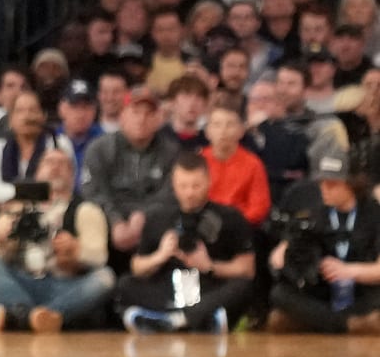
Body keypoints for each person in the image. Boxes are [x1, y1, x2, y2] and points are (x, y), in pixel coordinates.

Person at [0, 147, 115, 331]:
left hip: (65, 285)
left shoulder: (86, 210)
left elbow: (100, 257)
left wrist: (76, 250)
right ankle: (36, 317)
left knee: (105, 278)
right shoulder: (16, 208)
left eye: (62, 164)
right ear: (37, 172)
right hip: (23, 282)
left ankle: (23, 317)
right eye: (49, 162)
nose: (55, 167)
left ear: (73, 175)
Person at [121, 151, 258, 332]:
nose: (190, 193)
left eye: (196, 186)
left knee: (244, 286)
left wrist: (209, 266)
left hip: (208, 287)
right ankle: (196, 319)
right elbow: (137, 266)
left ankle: (173, 320)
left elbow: (247, 269)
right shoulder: (157, 217)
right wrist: (160, 256)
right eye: (183, 186)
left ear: (209, 181)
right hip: (169, 287)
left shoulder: (230, 217)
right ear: (173, 184)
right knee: (125, 284)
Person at [267, 153, 380, 334]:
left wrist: (348, 271)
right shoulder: (313, 215)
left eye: (332, 184)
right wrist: (287, 258)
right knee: (280, 293)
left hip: (362, 289)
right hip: (326, 291)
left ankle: (312, 322)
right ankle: (350, 324)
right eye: (322, 183)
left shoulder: (374, 214)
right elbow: (280, 256)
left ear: (352, 184)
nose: (324, 189)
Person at [81, 87, 180, 262]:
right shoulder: (100, 149)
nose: (141, 119)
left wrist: (143, 216)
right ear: (122, 116)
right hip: (110, 224)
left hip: (153, 228)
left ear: (159, 119)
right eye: (135, 112)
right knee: (87, 210)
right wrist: (116, 221)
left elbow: (171, 195)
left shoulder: (171, 152)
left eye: (149, 113)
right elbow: (94, 192)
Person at [0, 91, 74, 207]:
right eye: (20, 111)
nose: (28, 116)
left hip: (51, 207)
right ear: (11, 119)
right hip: (7, 213)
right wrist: (33, 191)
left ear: (43, 116)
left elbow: (63, 186)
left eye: (33, 110)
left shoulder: (59, 143)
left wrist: (13, 197)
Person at [204, 94, 270, 227]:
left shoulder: (253, 164)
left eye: (230, 125)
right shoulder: (198, 161)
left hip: (241, 229)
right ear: (207, 131)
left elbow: (259, 207)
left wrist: (234, 224)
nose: (223, 131)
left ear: (241, 131)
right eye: (217, 125)